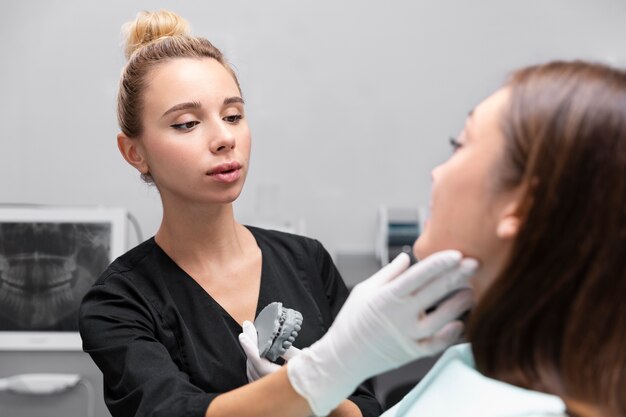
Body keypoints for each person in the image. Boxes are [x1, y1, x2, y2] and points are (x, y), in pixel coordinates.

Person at [78, 10, 477, 417]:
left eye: (233, 116)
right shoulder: (118, 303)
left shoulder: (307, 261)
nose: (224, 138)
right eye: (186, 123)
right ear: (135, 153)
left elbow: (364, 407)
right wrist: (318, 377)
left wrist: (333, 376)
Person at [243, 60, 626, 417]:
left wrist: (313, 382)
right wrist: (312, 387)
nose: (436, 173)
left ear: (521, 206)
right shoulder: (476, 365)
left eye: (460, 145)